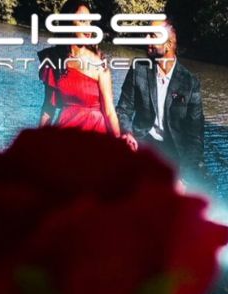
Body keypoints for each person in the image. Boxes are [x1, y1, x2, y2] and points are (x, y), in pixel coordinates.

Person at [116, 19, 205, 178]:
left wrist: (184, 178)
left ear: (168, 44)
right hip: (143, 145)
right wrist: (127, 133)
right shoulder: (138, 69)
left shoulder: (190, 83)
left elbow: (195, 137)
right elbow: (123, 110)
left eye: (153, 36)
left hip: (176, 154)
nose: (146, 39)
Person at [37, 0, 121, 136]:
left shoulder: (99, 63)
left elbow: (109, 112)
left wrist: (118, 142)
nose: (89, 28)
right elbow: (48, 109)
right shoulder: (54, 59)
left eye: (90, 22)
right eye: (83, 21)